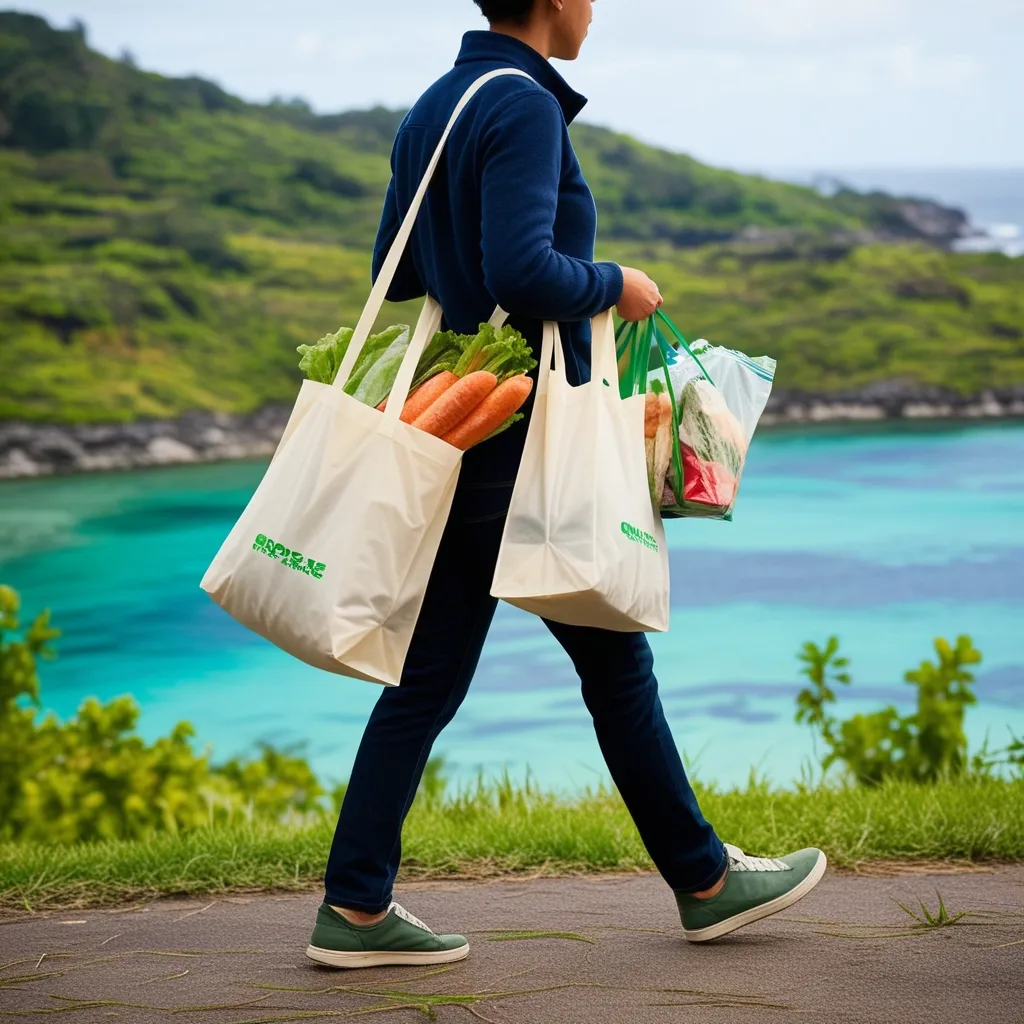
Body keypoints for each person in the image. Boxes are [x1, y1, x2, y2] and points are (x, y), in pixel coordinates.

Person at [307, 0, 826, 970]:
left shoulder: (433, 105)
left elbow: (395, 268)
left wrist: (473, 272)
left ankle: (356, 903)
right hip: (524, 441)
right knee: (615, 666)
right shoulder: (525, 106)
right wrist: (615, 282)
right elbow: (526, 268)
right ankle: (706, 880)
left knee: (426, 682)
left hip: (466, 422)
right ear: (550, 0)